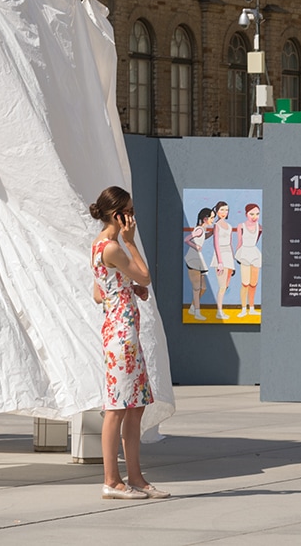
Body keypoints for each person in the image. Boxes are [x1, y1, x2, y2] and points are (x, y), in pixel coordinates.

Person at [89, 186, 168, 500]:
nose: (133, 218)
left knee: (135, 407)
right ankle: (111, 480)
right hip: (121, 334)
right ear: (116, 214)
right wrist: (132, 242)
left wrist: (127, 289)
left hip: (122, 331)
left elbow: (99, 293)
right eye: (129, 211)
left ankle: (135, 477)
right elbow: (146, 275)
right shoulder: (112, 247)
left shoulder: (98, 245)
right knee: (117, 408)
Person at [184, 207, 214, 319]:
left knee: (203, 288)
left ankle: (193, 308)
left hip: (198, 259)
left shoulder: (202, 230)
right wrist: (195, 246)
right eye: (212, 217)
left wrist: (211, 233)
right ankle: (197, 312)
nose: (213, 220)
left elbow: (202, 238)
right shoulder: (199, 230)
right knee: (197, 288)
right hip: (193, 259)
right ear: (205, 219)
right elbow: (187, 239)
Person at [233, 203, 262, 317]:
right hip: (244, 253)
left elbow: (256, 239)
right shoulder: (241, 226)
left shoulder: (260, 227)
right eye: (252, 214)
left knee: (253, 284)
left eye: (257, 214)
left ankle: (252, 308)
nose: (255, 217)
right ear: (246, 214)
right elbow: (239, 242)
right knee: (245, 283)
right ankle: (243, 308)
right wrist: (237, 256)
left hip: (254, 254)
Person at [211, 200, 235, 320]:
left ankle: (220, 309)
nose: (224, 212)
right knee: (221, 286)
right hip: (220, 256)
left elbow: (230, 243)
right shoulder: (217, 225)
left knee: (225, 285)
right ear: (217, 211)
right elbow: (216, 243)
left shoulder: (229, 226)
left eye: (226, 210)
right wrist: (220, 261)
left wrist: (233, 260)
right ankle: (219, 311)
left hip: (229, 256)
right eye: (222, 210)